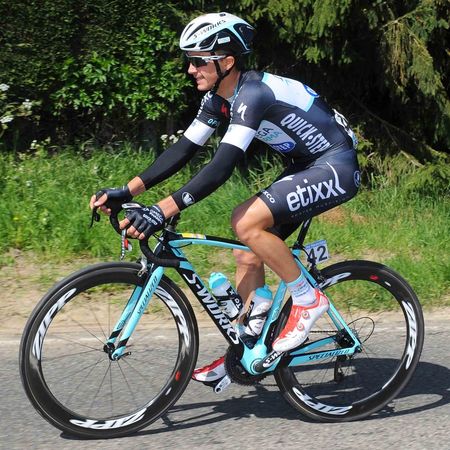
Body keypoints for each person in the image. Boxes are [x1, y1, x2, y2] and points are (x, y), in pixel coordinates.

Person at [90, 12, 360, 389]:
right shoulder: (219, 98)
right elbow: (184, 149)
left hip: (334, 165)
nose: (190, 69)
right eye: (189, 60)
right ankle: (250, 349)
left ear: (227, 62)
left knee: (245, 221)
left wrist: (161, 210)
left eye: (198, 60)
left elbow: (221, 167)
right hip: (304, 165)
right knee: (248, 253)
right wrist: (128, 190)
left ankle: (307, 298)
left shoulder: (253, 94)